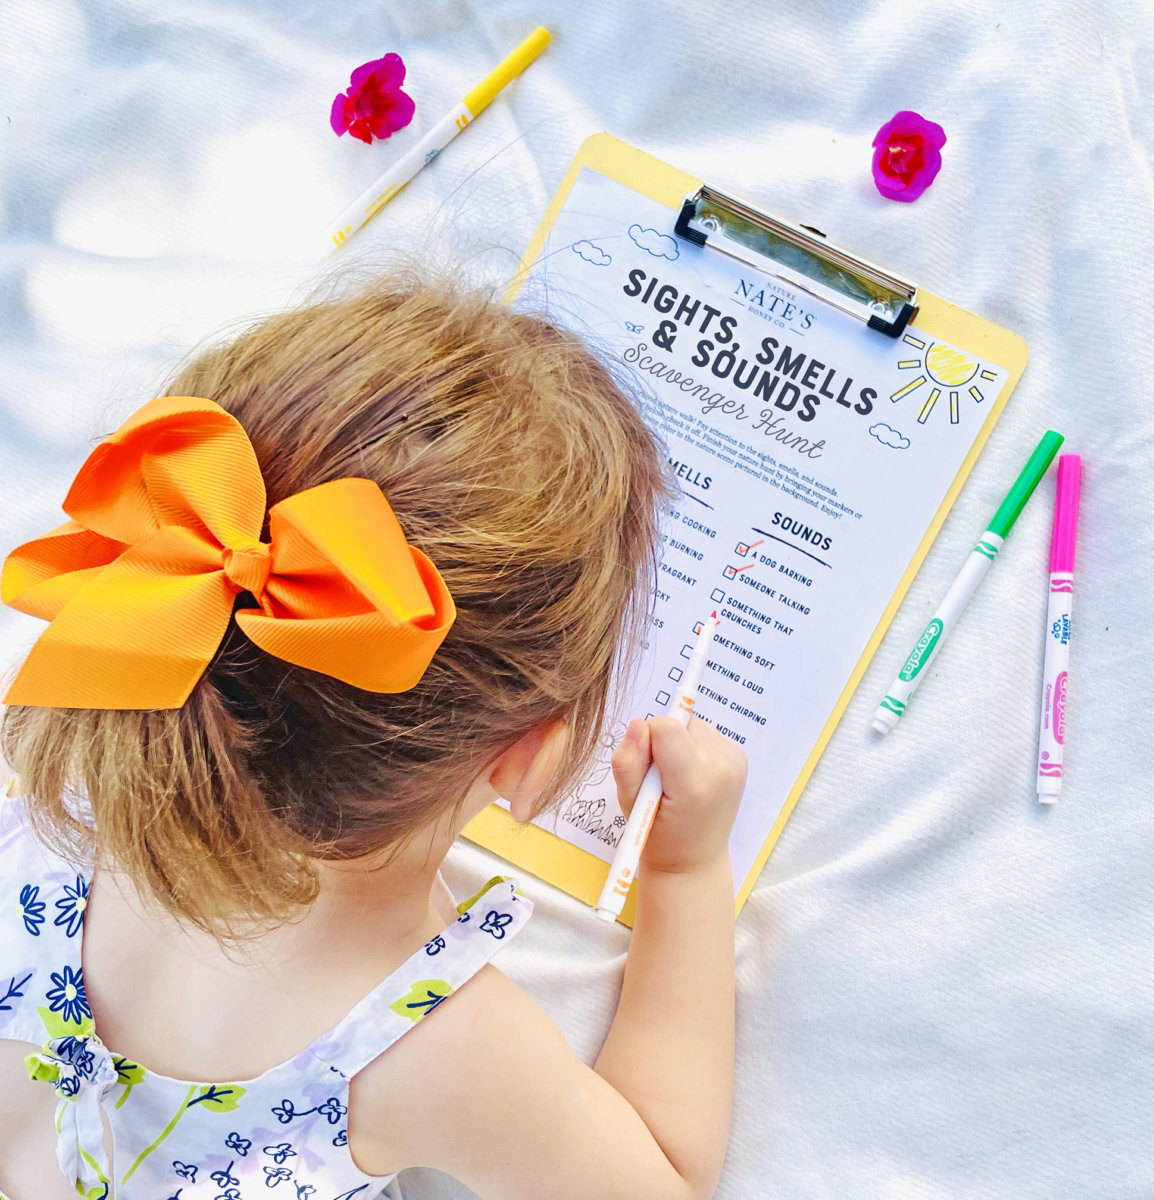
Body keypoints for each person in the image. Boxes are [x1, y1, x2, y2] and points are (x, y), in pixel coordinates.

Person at [0, 276, 747, 1200]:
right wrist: (685, 872)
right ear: (525, 758)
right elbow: (664, 1183)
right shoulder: (425, 1051)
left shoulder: (49, 774)